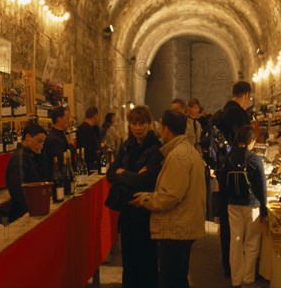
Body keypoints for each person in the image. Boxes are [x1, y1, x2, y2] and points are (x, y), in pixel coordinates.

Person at [130, 110, 206, 288]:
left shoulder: (178, 155)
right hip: (183, 226)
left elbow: (170, 195)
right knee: (178, 279)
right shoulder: (187, 150)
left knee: (171, 280)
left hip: (176, 229)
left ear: (166, 129)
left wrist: (145, 199)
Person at [106, 106, 163, 288]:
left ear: (149, 124)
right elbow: (110, 173)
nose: (138, 128)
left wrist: (123, 174)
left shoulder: (156, 148)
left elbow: (145, 181)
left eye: (142, 123)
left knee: (147, 260)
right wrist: (131, 175)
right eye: (134, 123)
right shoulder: (126, 145)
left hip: (145, 211)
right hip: (127, 212)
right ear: (130, 125)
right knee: (129, 260)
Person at [214, 81, 253, 277]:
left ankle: (227, 264)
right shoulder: (239, 114)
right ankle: (236, 268)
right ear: (246, 94)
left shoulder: (222, 114)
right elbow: (246, 145)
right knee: (237, 223)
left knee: (227, 218)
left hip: (222, 172)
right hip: (237, 174)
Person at [223, 125, 267, 288]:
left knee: (235, 242)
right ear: (250, 140)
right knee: (251, 242)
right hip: (252, 205)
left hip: (233, 205)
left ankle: (236, 280)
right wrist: (264, 208)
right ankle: (248, 278)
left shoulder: (229, 157)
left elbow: (222, 183)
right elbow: (261, 187)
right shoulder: (255, 159)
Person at [6, 123, 47, 222]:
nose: (41, 146)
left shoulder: (30, 155)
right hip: (22, 216)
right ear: (28, 137)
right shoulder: (20, 156)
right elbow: (20, 190)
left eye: (43, 143)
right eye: (39, 141)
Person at [44, 106, 75, 179]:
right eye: (67, 118)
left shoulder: (60, 134)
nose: (69, 121)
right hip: (58, 179)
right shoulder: (53, 139)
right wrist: (71, 145)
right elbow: (63, 160)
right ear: (59, 119)